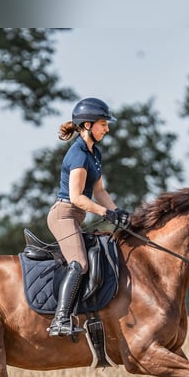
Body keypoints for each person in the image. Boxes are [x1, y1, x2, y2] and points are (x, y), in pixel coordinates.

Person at [46, 97, 131, 337]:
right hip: (64, 215)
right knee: (80, 264)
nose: (107, 128)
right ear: (86, 125)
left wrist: (117, 212)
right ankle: (60, 320)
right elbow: (76, 197)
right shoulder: (79, 155)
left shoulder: (95, 153)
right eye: (103, 123)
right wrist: (105, 213)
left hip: (77, 216)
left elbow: (99, 191)